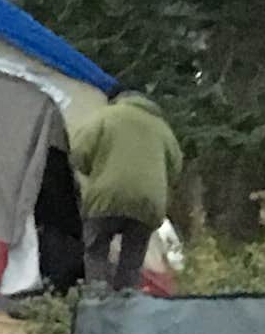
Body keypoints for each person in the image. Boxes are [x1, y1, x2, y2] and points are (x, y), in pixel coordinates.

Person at [65, 85, 183, 293]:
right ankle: (127, 305)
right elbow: (176, 168)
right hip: (149, 203)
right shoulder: (162, 127)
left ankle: (98, 301)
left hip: (108, 195)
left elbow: (79, 152)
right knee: (132, 260)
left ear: (116, 98)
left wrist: (93, 171)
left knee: (96, 251)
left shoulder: (106, 116)